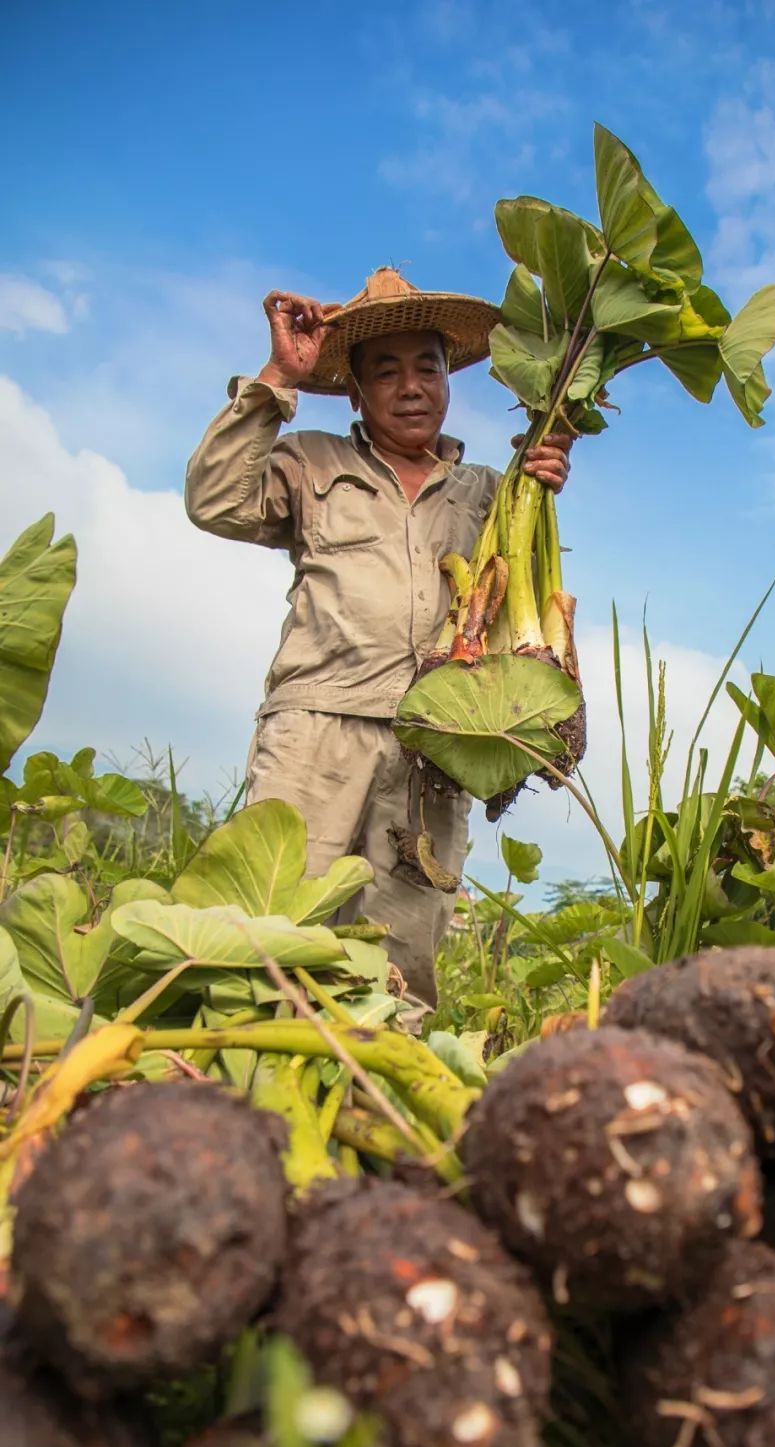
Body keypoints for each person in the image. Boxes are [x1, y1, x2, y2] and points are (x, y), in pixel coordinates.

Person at [185, 268, 570, 1011]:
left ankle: (379, 1110)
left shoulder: (490, 491)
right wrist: (276, 380)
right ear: (355, 391)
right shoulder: (310, 461)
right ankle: (243, 1086)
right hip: (316, 731)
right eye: (385, 372)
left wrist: (545, 470)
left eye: (427, 366)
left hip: (433, 745)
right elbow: (215, 501)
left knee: (401, 957)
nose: (411, 386)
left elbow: (512, 605)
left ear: (448, 378)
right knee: (267, 930)